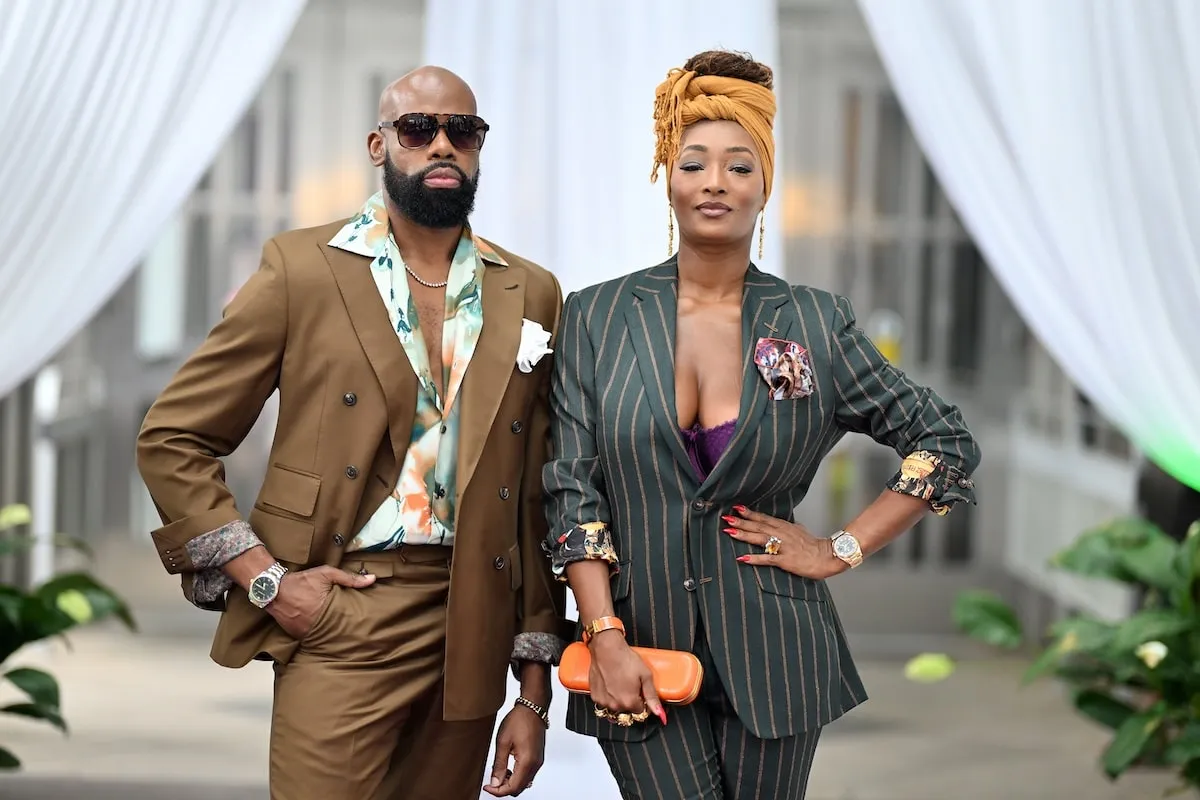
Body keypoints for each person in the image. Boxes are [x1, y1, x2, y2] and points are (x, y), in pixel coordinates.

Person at [543, 50, 981, 799]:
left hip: (777, 650)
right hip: (637, 643)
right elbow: (571, 488)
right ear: (668, 179)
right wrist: (603, 632)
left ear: (764, 186)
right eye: (695, 163)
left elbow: (943, 441)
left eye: (739, 166)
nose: (715, 182)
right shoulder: (598, 315)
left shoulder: (813, 320)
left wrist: (838, 548)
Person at [137, 66, 567, 800]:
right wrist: (267, 581)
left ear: (478, 148)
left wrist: (532, 695)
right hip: (343, 610)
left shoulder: (529, 290)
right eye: (417, 129)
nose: (441, 146)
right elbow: (174, 436)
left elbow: (534, 498)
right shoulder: (301, 269)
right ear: (379, 144)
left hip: (474, 617)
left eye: (461, 132)